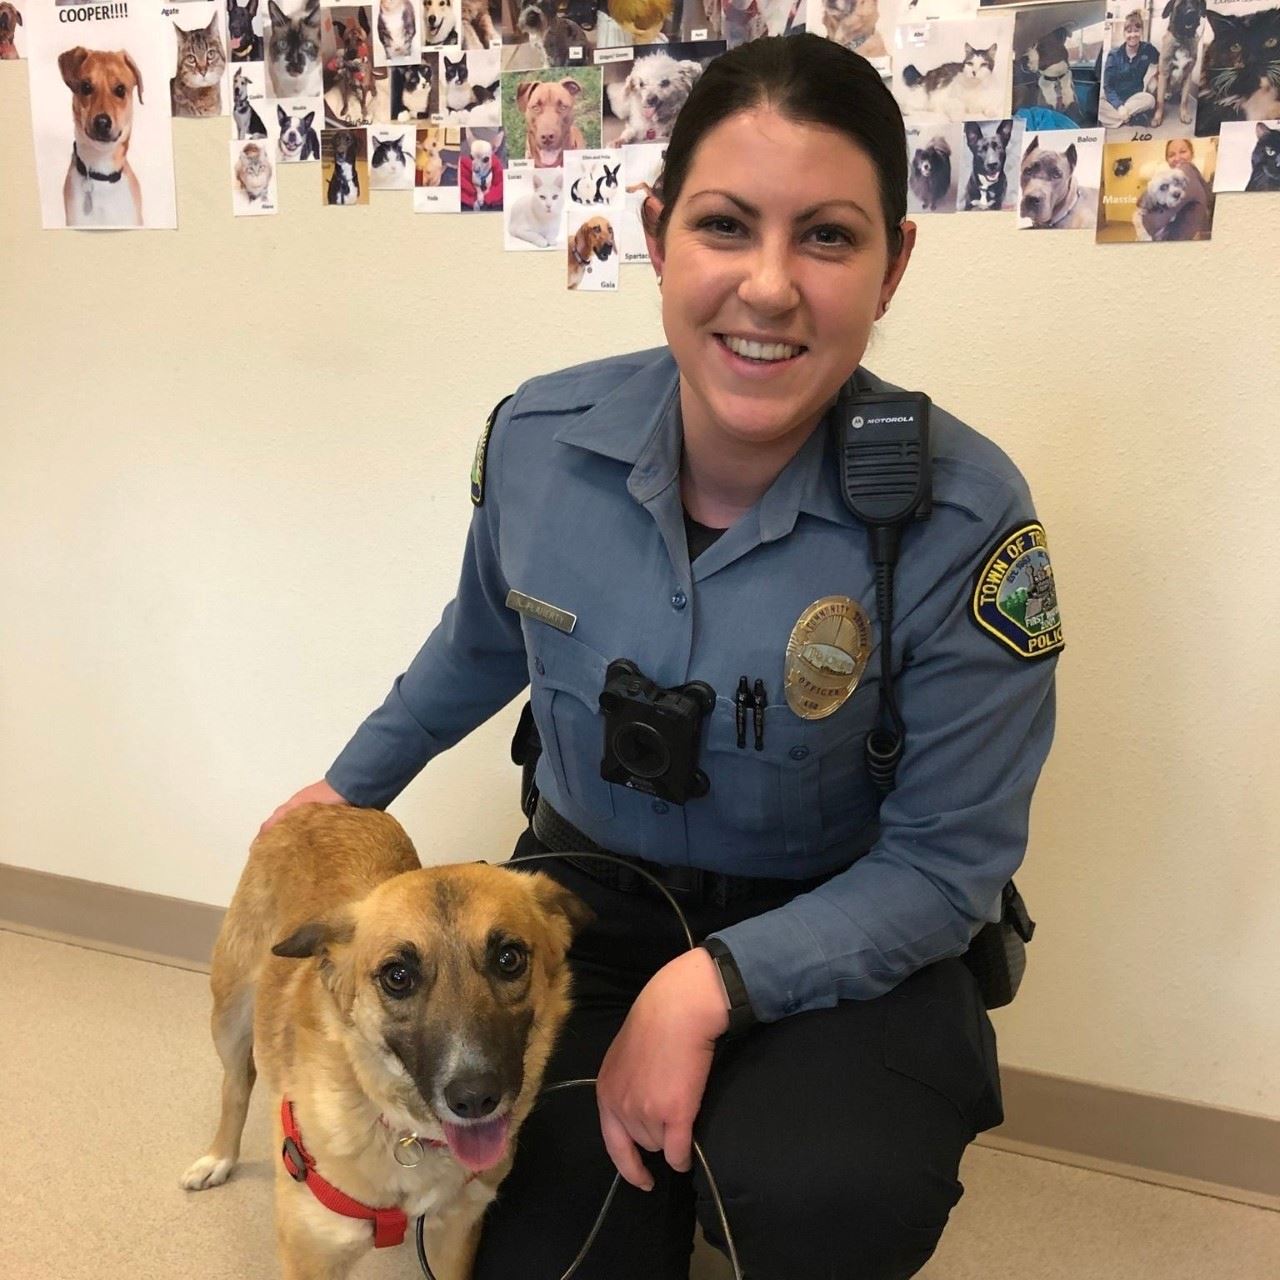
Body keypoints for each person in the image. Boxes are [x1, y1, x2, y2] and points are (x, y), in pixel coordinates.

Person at [261, 33, 1063, 1280]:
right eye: (725, 226)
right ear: (653, 234)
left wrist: (700, 993)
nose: (768, 285)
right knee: (531, 1245)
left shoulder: (961, 520)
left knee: (819, 1193)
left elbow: (949, 862)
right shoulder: (537, 441)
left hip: (846, 926)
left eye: (829, 237)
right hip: (594, 906)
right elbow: (478, 644)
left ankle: (749, 1144)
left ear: (894, 263)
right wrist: (344, 785)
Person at [1099, 11, 1159, 128]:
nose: (1133, 35)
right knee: (1098, 106)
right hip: (1114, 97)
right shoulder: (1114, 55)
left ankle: (1119, 118)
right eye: (1129, 31)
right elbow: (1107, 86)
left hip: (1134, 97)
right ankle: (1132, 118)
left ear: (1141, 32)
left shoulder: (1148, 49)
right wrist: (1119, 106)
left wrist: (1156, 76)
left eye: (1136, 31)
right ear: (1124, 34)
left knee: (1150, 99)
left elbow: (1163, 61)